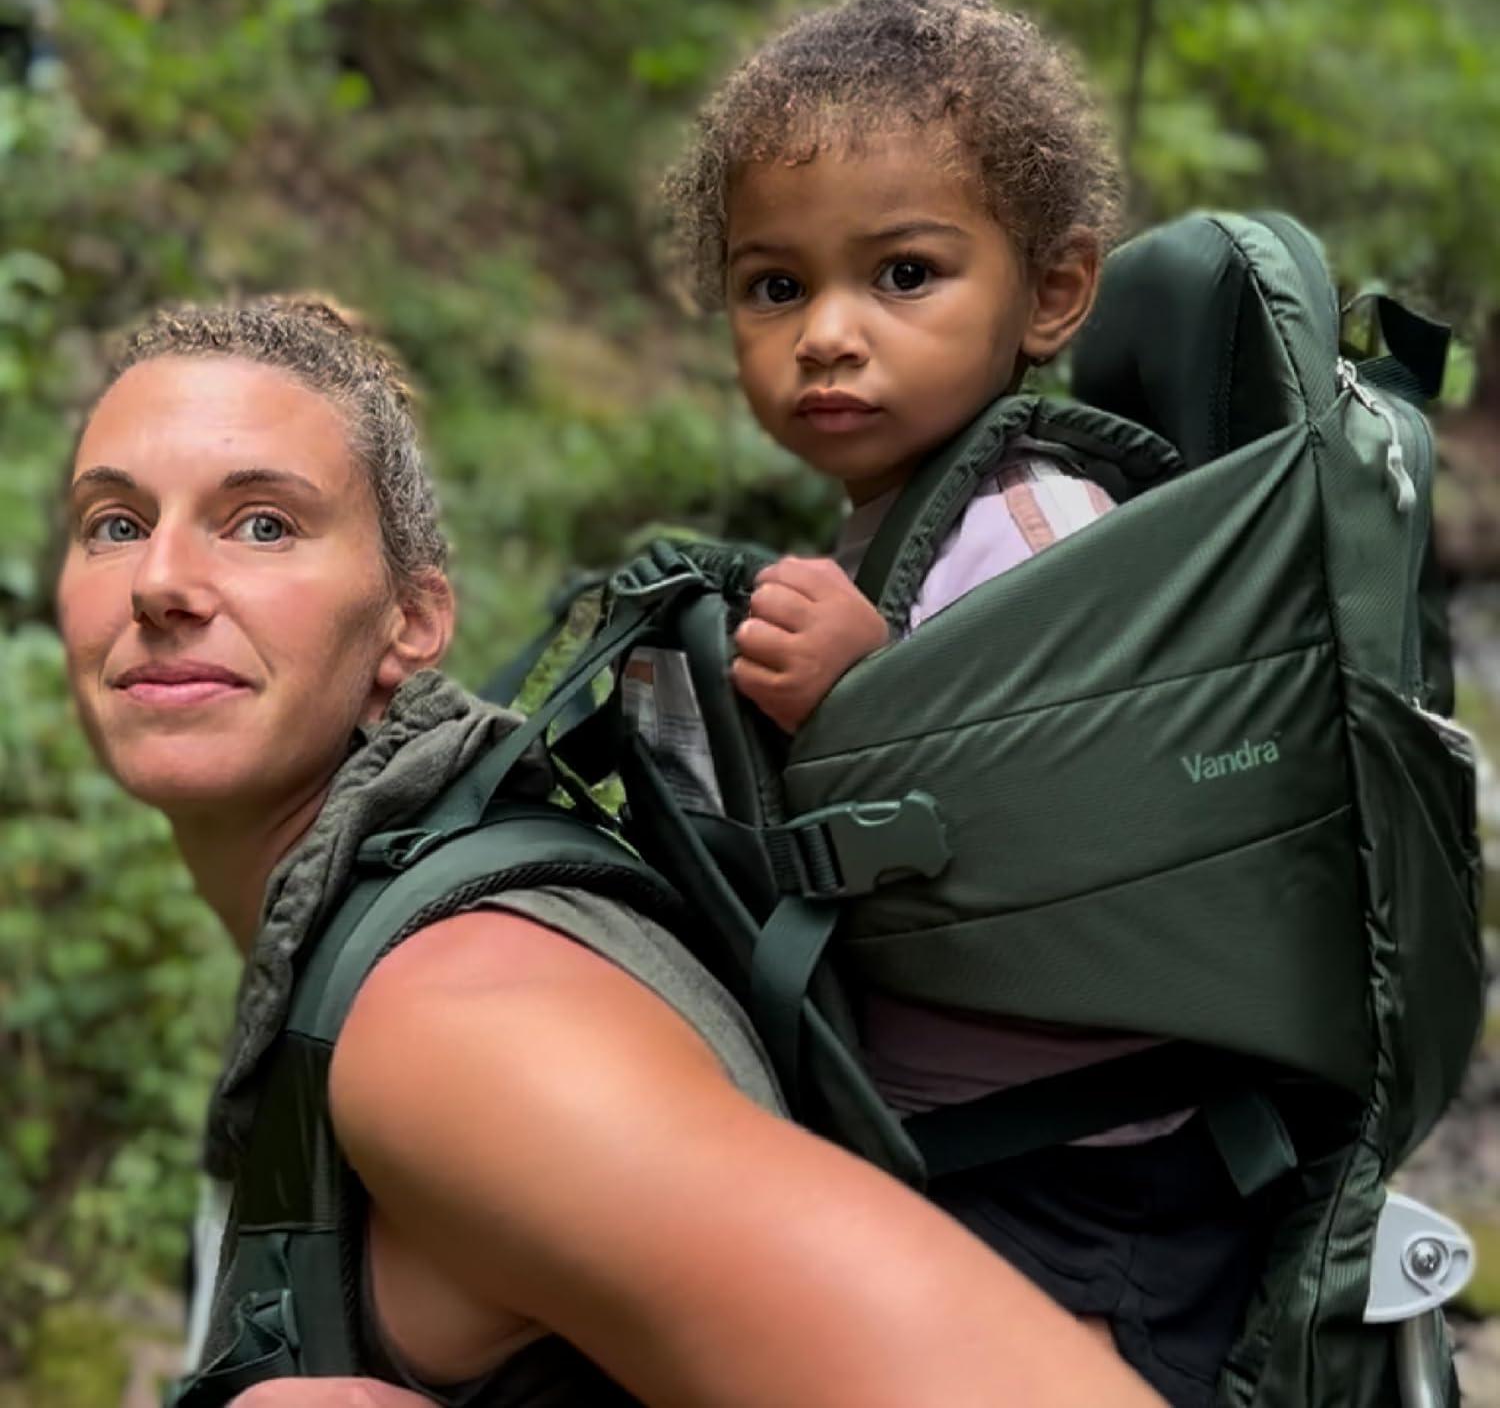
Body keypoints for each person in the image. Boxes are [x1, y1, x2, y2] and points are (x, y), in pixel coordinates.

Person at [55, 294, 1162, 1407]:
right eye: (114, 523)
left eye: (263, 524)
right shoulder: (391, 933)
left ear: (411, 622)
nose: (159, 584)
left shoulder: (464, 1023)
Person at [662, 0, 1265, 1405]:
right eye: (775, 284)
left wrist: (869, 701)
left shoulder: (1039, 530)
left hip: (1088, 1173)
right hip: (947, 1147)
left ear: (1051, 292)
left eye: (904, 273)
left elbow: (1130, 814)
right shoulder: (901, 521)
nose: (826, 331)